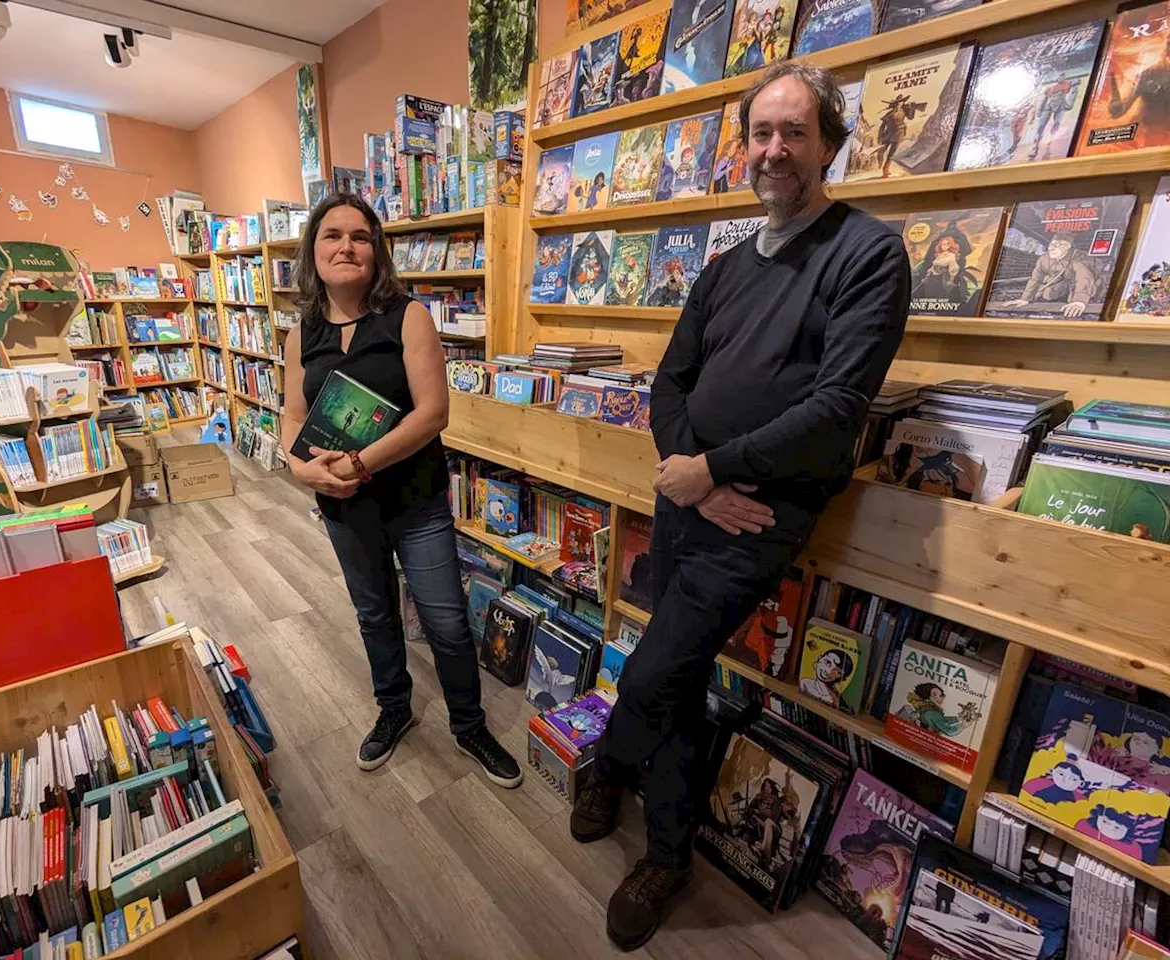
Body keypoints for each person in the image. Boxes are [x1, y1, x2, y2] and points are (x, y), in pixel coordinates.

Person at [568, 61, 910, 950]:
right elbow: (670, 380)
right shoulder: (721, 268)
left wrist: (714, 471)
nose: (775, 150)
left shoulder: (868, 252)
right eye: (762, 133)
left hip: (757, 519)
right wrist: (692, 472)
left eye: (795, 133)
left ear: (829, 144)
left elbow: (838, 410)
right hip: (692, 500)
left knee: (649, 674)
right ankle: (670, 855)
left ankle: (607, 763)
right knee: (674, 681)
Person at [281, 192, 522, 788]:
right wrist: (299, 468)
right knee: (374, 615)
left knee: (445, 619)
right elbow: (291, 416)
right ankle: (394, 710)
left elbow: (433, 413)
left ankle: (468, 724)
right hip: (343, 511)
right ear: (313, 249)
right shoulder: (299, 334)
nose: (346, 246)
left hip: (416, 503)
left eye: (360, 236)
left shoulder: (406, 316)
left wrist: (358, 463)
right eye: (332, 235)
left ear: (377, 250)